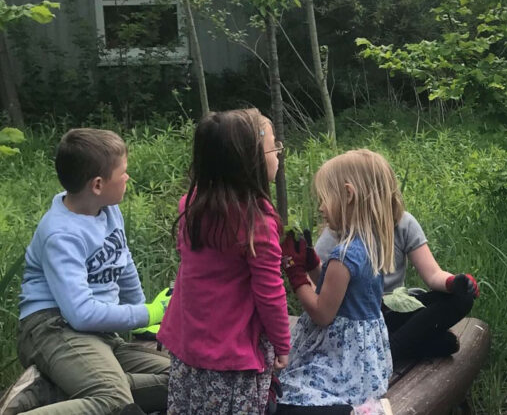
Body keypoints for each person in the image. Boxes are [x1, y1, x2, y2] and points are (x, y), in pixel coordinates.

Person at [14, 129, 171, 415]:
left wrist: (141, 316)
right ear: (98, 185)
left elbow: (124, 264)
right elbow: (81, 313)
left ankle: (56, 390)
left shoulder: (108, 210)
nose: (128, 177)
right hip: (52, 327)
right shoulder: (61, 234)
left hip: (98, 333)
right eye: (123, 172)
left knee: (183, 378)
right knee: (113, 399)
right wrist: (150, 313)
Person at [157, 109, 292, 415]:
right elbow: (270, 294)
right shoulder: (257, 223)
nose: (278, 154)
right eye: (273, 147)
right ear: (249, 162)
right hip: (232, 357)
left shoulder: (192, 205)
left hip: (188, 345)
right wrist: (282, 344)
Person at [276, 149, 397, 415]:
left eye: (325, 198)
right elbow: (337, 291)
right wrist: (312, 264)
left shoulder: (344, 255)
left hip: (341, 360)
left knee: (286, 397)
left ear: (348, 194)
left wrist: (295, 274)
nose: (321, 207)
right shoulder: (370, 245)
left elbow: (322, 313)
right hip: (365, 363)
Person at [315, 187, 480, 363]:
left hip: (393, 312)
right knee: (444, 342)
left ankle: (393, 348)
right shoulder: (335, 232)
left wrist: (454, 283)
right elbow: (319, 286)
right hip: (358, 320)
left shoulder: (403, 224)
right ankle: (395, 352)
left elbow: (433, 274)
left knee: (462, 298)